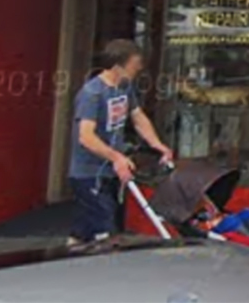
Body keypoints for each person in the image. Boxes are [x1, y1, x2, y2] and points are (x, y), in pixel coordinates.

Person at [66, 38, 171, 248]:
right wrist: (117, 158)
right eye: (134, 65)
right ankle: (103, 260)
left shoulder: (124, 87)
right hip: (90, 173)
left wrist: (156, 144)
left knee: (92, 222)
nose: (138, 69)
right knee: (106, 226)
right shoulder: (93, 93)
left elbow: (137, 116)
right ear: (117, 66)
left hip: (111, 171)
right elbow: (85, 136)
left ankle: (72, 248)